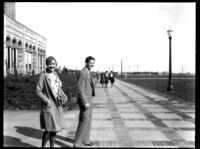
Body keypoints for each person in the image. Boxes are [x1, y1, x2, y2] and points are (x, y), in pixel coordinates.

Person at [36, 56, 66, 147]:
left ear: (56, 64)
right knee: (48, 129)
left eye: (53, 64)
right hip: (49, 105)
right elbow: (38, 91)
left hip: (57, 105)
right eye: (50, 64)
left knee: (55, 129)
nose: (52, 66)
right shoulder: (43, 75)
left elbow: (57, 87)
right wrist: (47, 101)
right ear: (47, 65)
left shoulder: (55, 74)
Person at [73, 56, 95, 147]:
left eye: (93, 63)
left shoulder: (88, 72)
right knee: (84, 120)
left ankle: (86, 140)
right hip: (85, 101)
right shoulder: (83, 72)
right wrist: (85, 102)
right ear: (86, 62)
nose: (92, 64)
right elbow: (80, 88)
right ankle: (77, 143)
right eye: (91, 63)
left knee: (88, 120)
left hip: (89, 100)